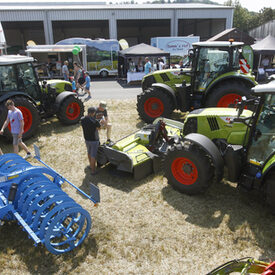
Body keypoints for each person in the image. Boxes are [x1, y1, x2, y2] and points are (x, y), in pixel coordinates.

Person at [81, 107, 101, 175]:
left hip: (87, 139)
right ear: (93, 113)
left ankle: (90, 165)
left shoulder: (82, 119)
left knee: (89, 153)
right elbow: (99, 128)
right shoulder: (95, 121)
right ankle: (93, 171)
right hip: (94, 140)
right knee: (93, 155)